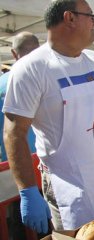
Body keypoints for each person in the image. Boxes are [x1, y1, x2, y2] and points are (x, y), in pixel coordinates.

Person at [3, 0, 94, 233]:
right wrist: (27, 190)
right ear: (70, 18)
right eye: (90, 16)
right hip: (72, 188)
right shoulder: (31, 68)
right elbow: (14, 133)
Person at [0, 32, 39, 161]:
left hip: (13, 162)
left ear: (13, 53)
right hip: (49, 160)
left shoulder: (2, 83)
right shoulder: (49, 77)